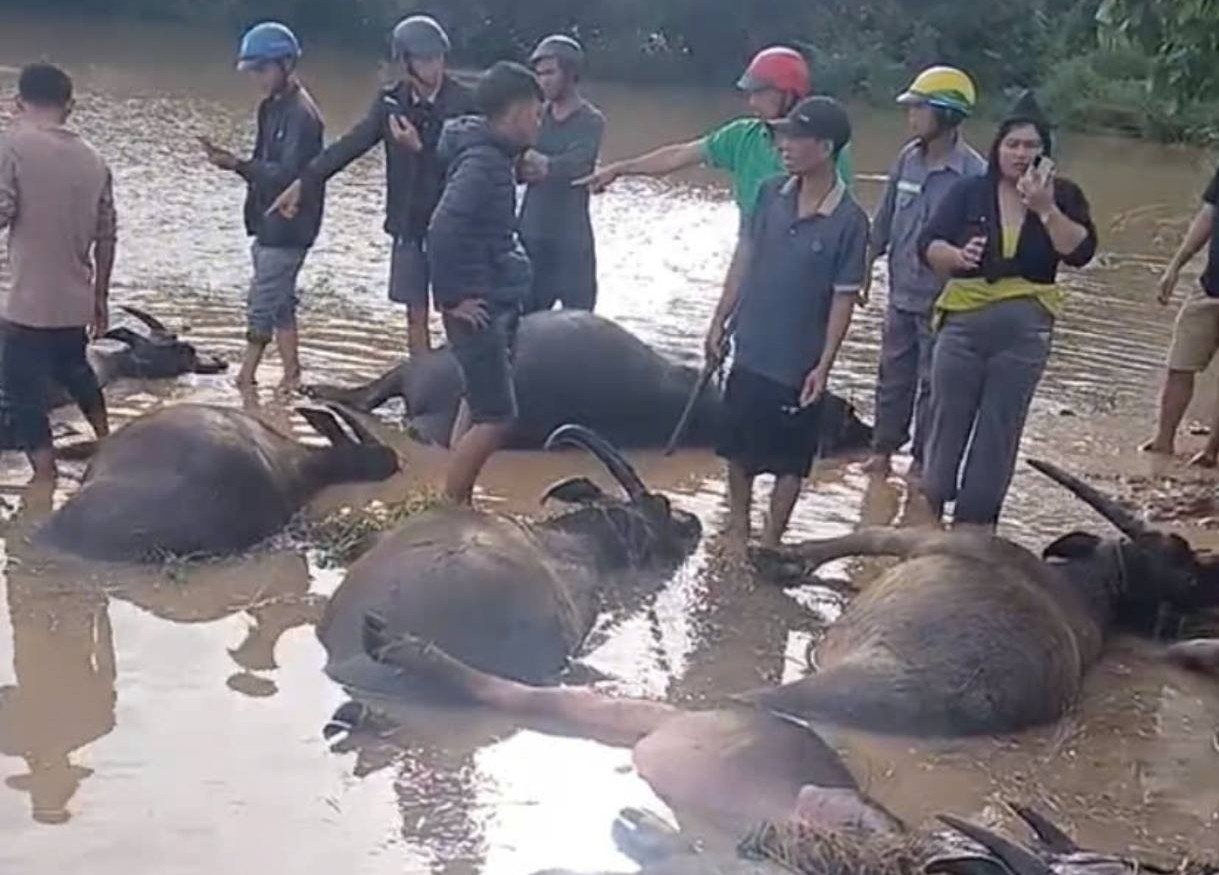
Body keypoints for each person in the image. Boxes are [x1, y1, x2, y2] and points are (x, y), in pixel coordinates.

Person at [918, 91, 1097, 527]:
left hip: (1025, 332)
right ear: (997, 148)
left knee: (1000, 431)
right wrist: (957, 257)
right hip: (963, 324)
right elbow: (928, 245)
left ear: (1045, 153)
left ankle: (976, 527)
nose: (1020, 154)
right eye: (1012, 145)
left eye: (1031, 146)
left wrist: (1045, 207)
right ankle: (928, 510)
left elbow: (1080, 252)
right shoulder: (969, 191)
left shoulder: (1065, 195)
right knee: (946, 422)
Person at [576, 47, 853, 317]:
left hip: (801, 275)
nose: (752, 102)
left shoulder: (824, 150)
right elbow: (678, 155)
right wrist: (621, 169)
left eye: (759, 92)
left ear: (788, 93)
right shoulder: (744, 137)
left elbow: (838, 224)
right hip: (751, 262)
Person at [705, 96, 868, 548]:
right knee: (736, 447)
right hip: (751, 344)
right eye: (785, 136)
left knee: (791, 461)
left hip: (799, 359)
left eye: (797, 137)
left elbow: (844, 299)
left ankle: (772, 540)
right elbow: (745, 256)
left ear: (826, 147)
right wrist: (720, 318)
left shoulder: (850, 222)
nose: (785, 145)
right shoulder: (769, 194)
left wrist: (825, 363)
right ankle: (739, 528)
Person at [270, 15, 474, 355]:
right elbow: (350, 146)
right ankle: (422, 381)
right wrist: (304, 182)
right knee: (414, 314)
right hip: (409, 222)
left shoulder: (467, 103)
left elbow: (471, 167)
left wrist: (421, 150)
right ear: (406, 62)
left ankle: (462, 386)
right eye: (423, 59)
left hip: (454, 225)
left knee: (458, 313)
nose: (433, 66)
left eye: (437, 57)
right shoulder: (392, 103)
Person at [862, 66, 986, 478]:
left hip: (946, 301)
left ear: (946, 115)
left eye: (918, 109)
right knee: (892, 376)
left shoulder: (974, 175)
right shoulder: (906, 159)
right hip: (901, 294)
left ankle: (921, 463)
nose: (910, 117)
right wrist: (866, 263)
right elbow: (884, 220)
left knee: (936, 385)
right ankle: (882, 452)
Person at [428, 61, 542, 504]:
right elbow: (443, 227)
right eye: (535, 113)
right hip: (480, 306)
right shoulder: (485, 163)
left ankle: (453, 491)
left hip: (491, 299)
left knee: (476, 404)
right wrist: (452, 300)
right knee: (498, 417)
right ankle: (451, 508)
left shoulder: (492, 157)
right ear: (513, 115)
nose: (539, 121)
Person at [0, 62, 115, 485]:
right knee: (76, 371)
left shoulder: (12, 146)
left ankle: (44, 477)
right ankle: (107, 441)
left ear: (18, 102)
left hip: (27, 305)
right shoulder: (95, 159)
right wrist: (99, 299)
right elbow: (107, 236)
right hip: (75, 303)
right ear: (69, 106)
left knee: (20, 394)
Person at [201, 22, 324, 390]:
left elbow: (286, 173)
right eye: (254, 70)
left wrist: (238, 164)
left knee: (262, 300)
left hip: (289, 225)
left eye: (262, 69)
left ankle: (246, 376)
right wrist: (236, 166)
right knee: (281, 301)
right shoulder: (270, 108)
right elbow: (263, 168)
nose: (257, 78)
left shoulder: (302, 115)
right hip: (267, 221)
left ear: (286, 64)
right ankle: (291, 373)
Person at [519, 34, 605, 313]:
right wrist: (542, 166)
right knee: (524, 325)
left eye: (550, 72)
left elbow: (577, 167)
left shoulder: (591, 120)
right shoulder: (535, 115)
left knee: (580, 325)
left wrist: (543, 164)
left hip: (572, 239)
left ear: (570, 73)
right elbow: (517, 166)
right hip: (531, 233)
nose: (542, 80)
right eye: (539, 73)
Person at [1140, 162, 1219, 466]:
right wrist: (1175, 266)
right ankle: (1163, 441)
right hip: (1210, 286)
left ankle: (1211, 451)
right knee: (1179, 364)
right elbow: (1209, 215)